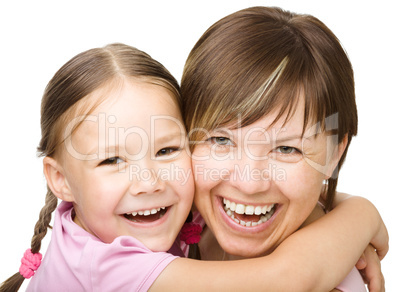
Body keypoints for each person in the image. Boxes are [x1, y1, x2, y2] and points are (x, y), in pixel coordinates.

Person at [0, 42, 386, 292]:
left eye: (167, 150)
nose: (149, 181)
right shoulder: (103, 266)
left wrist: (330, 209)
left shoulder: (123, 213)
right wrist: (359, 214)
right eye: (112, 160)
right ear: (60, 180)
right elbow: (288, 279)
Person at [180, 6, 387, 291]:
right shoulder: (170, 220)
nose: (249, 183)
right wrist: (359, 213)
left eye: (287, 149)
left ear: (334, 155)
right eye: (221, 140)